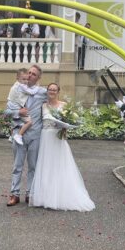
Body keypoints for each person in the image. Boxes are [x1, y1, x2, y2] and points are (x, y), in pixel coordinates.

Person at [29, 83, 95, 211]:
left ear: (58, 91)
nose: (52, 91)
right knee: (46, 165)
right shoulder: (43, 105)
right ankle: (45, 196)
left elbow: (71, 121)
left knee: (60, 165)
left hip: (58, 138)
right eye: (50, 89)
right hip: (45, 138)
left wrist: (66, 127)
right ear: (47, 91)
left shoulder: (64, 105)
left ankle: (61, 196)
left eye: (54, 90)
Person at [6, 64, 47, 206]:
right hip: (19, 133)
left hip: (35, 134)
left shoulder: (42, 92)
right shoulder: (16, 90)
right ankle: (14, 194)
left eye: (33, 74)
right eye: (29, 73)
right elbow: (7, 111)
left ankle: (30, 194)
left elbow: (53, 104)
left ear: (38, 77)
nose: (29, 75)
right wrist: (18, 113)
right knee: (17, 166)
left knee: (33, 166)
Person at [7, 68, 36, 145]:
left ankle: (11, 135)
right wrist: (37, 88)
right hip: (15, 107)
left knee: (16, 122)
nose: (26, 81)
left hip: (12, 105)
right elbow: (31, 92)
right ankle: (19, 135)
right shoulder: (21, 86)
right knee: (29, 122)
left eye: (27, 79)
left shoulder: (16, 85)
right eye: (23, 79)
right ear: (17, 78)